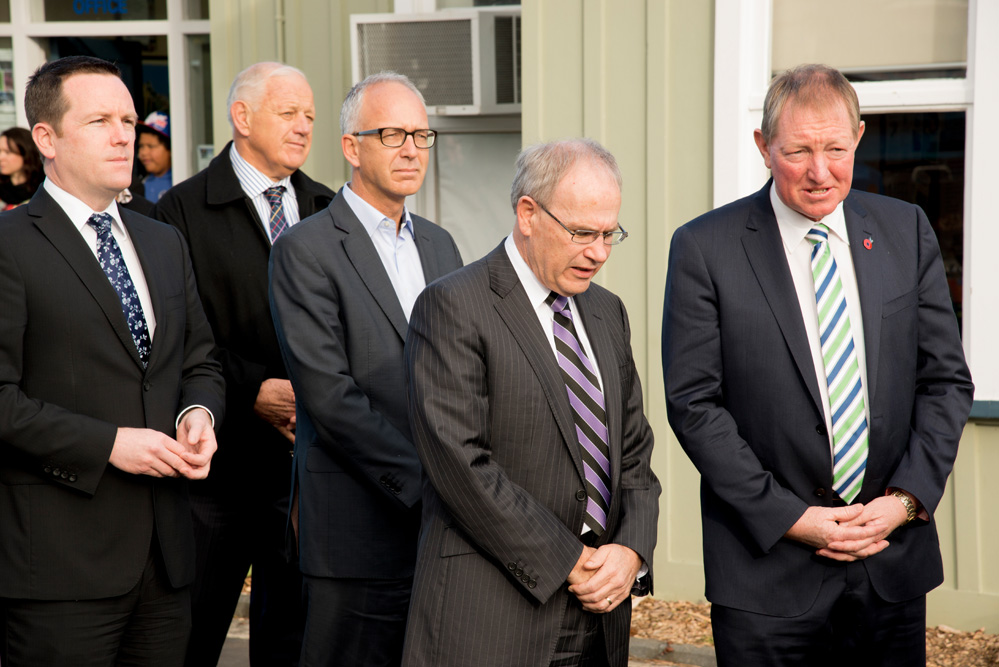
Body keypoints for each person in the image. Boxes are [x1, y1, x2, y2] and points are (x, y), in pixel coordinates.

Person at [662, 64, 974, 666]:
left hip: (891, 563)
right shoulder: (705, 248)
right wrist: (794, 519)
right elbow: (695, 404)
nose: (820, 171)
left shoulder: (905, 229)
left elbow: (945, 381)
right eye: (798, 150)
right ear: (763, 146)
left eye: (835, 148)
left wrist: (904, 502)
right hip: (767, 575)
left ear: (857, 137)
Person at [0, 56, 225, 666]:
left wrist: (200, 414)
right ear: (46, 138)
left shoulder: (161, 239)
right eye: (100, 120)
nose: (124, 134)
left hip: (168, 557)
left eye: (127, 118)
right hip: (59, 567)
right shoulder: (10, 246)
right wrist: (108, 444)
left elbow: (200, 359)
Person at [402, 138, 660, 667]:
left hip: (600, 618)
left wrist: (630, 551)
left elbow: (632, 452)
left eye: (610, 234)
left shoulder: (607, 312)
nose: (599, 252)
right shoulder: (454, 305)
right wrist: (570, 561)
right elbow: (461, 466)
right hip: (493, 613)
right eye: (583, 233)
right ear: (528, 214)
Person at [269, 71, 462, 667]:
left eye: (421, 135)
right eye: (392, 134)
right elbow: (329, 398)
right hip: (356, 532)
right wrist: (434, 486)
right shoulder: (306, 249)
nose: (411, 149)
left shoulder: (440, 245)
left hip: (441, 535)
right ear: (352, 146)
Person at [152, 62, 334, 667]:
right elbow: (172, 334)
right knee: (192, 636)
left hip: (301, 472)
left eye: (310, 115)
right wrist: (253, 388)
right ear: (242, 117)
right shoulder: (179, 212)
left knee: (291, 642)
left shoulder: (326, 208)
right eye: (289, 113)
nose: (305, 127)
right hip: (216, 470)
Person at [0, 126, 44, 209]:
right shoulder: (2, 188)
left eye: (7, 152)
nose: (1, 157)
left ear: (25, 153)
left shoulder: (44, 185)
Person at [136, 111, 172, 202]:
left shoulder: (178, 180)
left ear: (170, 149)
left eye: (151, 146)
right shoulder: (140, 184)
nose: (143, 153)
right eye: (141, 146)